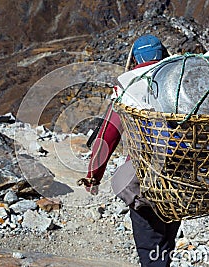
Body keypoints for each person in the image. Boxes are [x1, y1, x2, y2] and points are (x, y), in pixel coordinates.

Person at [79, 35, 181, 267]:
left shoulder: (128, 88)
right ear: (163, 54)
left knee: (150, 244)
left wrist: (93, 176)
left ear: (134, 59)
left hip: (143, 180)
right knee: (166, 242)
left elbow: (107, 136)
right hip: (180, 179)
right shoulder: (178, 82)